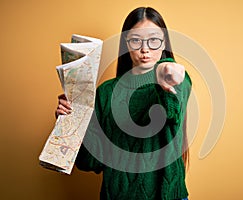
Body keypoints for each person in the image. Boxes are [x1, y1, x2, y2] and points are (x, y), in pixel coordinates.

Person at [56, 7, 192, 200]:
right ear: (126, 44)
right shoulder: (105, 93)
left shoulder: (177, 79)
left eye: (154, 40)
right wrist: (72, 121)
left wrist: (169, 73)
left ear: (164, 44)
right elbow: (90, 162)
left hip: (167, 196)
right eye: (136, 40)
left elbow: (172, 111)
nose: (145, 49)